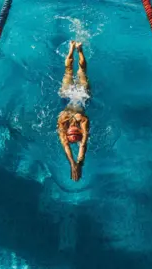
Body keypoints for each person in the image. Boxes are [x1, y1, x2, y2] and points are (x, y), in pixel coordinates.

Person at [57, 41, 90, 181]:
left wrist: (74, 164)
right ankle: (77, 49)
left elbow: (81, 143)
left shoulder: (66, 121)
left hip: (74, 95)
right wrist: (76, 164)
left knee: (73, 71)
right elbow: (80, 143)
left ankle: (75, 49)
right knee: (75, 71)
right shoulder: (79, 120)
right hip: (76, 95)